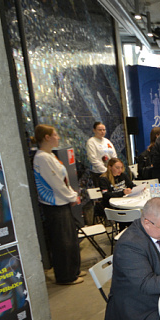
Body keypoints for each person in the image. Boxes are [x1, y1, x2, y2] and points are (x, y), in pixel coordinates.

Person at [32, 124, 83, 285]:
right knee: (63, 242)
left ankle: (73, 270)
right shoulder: (42, 158)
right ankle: (66, 276)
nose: (58, 137)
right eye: (55, 135)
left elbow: (63, 181)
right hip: (55, 206)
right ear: (47, 137)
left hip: (62, 203)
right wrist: (72, 197)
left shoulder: (49, 155)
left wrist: (72, 195)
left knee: (71, 239)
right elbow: (56, 184)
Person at [86, 121, 117, 187]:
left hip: (111, 172)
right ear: (94, 130)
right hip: (99, 173)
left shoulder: (107, 141)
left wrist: (114, 169)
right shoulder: (91, 142)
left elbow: (114, 156)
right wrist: (105, 171)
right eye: (100, 130)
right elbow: (93, 159)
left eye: (104, 130)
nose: (102, 132)